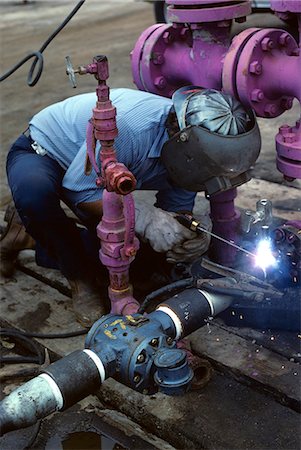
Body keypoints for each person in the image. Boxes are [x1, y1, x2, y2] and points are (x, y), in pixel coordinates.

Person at [0, 86, 261, 327]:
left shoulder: (192, 159)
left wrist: (185, 235)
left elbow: (176, 211)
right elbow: (79, 189)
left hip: (93, 176)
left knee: (142, 266)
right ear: (185, 144)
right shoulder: (130, 129)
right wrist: (145, 218)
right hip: (44, 153)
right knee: (35, 197)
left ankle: (27, 237)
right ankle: (80, 279)